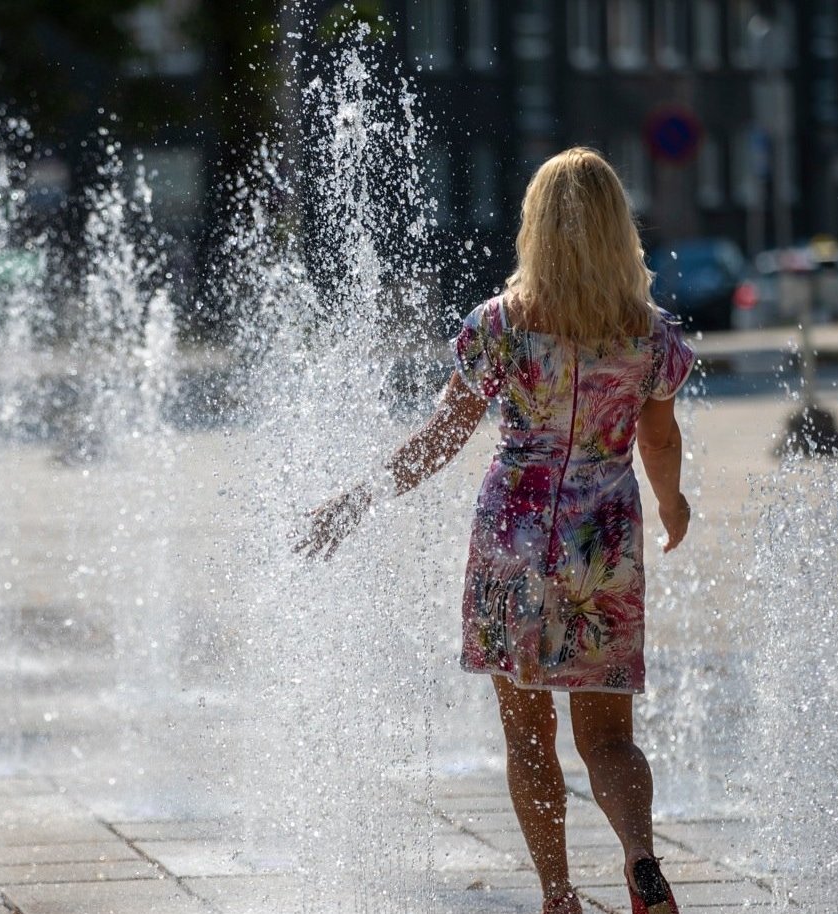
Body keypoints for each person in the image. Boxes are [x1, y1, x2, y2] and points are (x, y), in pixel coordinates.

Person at [296, 148, 695, 914]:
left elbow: (443, 435)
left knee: (528, 734)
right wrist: (674, 507)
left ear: (535, 227)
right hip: (603, 543)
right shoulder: (648, 334)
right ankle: (641, 858)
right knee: (608, 735)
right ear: (619, 228)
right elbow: (661, 442)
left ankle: (556, 894)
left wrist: (359, 497)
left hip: (515, 538)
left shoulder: (500, 327)